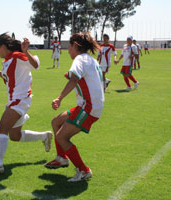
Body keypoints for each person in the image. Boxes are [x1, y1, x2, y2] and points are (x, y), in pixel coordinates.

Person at [0, 33, 52, 176]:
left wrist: (26, 51)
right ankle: (44, 136)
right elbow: (10, 80)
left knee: (2, 127)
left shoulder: (18, 56)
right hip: (15, 100)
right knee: (15, 136)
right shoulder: (7, 61)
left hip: (20, 100)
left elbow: (36, 65)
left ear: (3, 46)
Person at [44, 32, 104, 182]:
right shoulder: (90, 60)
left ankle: (84, 170)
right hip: (89, 105)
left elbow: (75, 79)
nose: (68, 51)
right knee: (56, 122)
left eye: (69, 47)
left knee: (62, 137)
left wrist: (59, 98)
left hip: (88, 107)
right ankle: (62, 158)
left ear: (75, 46)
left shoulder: (79, 59)